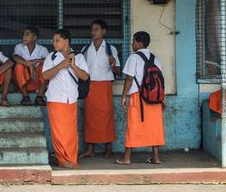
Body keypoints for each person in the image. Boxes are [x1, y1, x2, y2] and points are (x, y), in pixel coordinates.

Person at [42, 29, 89, 169]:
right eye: (53, 40)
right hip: (55, 98)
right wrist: (60, 66)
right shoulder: (51, 57)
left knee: (70, 132)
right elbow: (45, 76)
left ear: (66, 41)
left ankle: (71, 159)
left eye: (57, 40)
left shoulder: (79, 57)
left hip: (71, 98)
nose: (54, 43)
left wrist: (73, 66)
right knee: (58, 132)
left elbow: (85, 76)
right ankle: (62, 160)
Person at [118, 31, 166, 165]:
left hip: (138, 97)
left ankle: (126, 157)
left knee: (133, 126)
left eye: (133, 41)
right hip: (155, 98)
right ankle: (155, 157)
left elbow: (129, 78)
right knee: (155, 127)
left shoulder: (133, 58)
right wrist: (163, 98)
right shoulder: (155, 58)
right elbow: (161, 81)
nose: (132, 44)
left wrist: (123, 96)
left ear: (139, 43)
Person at [79, 19, 121, 159]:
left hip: (104, 86)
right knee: (89, 117)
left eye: (97, 29)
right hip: (90, 86)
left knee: (106, 117)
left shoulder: (110, 49)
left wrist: (113, 64)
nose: (94, 32)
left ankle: (108, 148)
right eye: (92, 29)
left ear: (103, 31)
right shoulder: (86, 49)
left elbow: (118, 71)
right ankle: (90, 149)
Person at [13, 26, 49, 106]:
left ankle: (39, 96)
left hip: (37, 83)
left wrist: (35, 61)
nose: (24, 37)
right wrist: (30, 65)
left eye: (27, 34)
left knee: (45, 66)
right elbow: (15, 57)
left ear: (34, 37)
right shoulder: (19, 47)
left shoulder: (42, 49)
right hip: (23, 83)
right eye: (23, 35)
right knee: (19, 66)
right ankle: (25, 97)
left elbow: (50, 62)